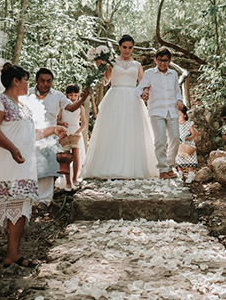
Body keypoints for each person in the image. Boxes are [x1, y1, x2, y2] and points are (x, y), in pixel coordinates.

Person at [0, 63, 65, 268]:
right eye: (26, 80)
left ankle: (12, 254)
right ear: (16, 81)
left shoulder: (24, 108)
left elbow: (30, 135)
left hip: (21, 167)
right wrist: (13, 149)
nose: (28, 84)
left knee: (18, 206)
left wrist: (54, 129)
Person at [83, 35, 158, 179]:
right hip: (115, 96)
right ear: (119, 47)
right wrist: (100, 68)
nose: (127, 50)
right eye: (124, 47)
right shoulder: (111, 62)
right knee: (113, 129)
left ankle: (131, 167)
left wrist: (145, 93)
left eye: (130, 47)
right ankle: (110, 165)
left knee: (131, 130)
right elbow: (105, 82)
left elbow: (143, 84)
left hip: (132, 98)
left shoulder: (137, 65)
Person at [28, 68, 88, 206]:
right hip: (30, 132)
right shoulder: (27, 92)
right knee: (30, 165)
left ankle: (45, 200)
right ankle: (30, 199)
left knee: (48, 167)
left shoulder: (58, 95)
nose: (45, 84)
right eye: (42, 81)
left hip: (51, 135)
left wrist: (83, 99)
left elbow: (71, 108)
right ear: (36, 80)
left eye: (49, 81)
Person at [137, 48, 185, 179]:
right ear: (155, 60)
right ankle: (162, 169)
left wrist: (179, 100)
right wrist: (144, 93)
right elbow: (140, 88)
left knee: (175, 138)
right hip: (156, 110)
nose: (162, 63)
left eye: (165, 61)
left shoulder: (173, 74)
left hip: (172, 111)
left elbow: (177, 91)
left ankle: (170, 166)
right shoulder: (149, 73)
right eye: (160, 60)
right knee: (160, 140)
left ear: (170, 61)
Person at [60, 84, 87, 189]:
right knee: (66, 157)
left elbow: (84, 124)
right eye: (70, 95)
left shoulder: (80, 107)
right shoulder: (63, 107)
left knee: (76, 156)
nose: (73, 97)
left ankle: (75, 178)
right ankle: (67, 182)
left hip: (76, 132)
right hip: (65, 132)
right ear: (66, 95)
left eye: (75, 95)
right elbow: (57, 119)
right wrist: (62, 124)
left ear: (79, 95)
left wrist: (77, 132)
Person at [176, 105, 198, 183]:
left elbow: (194, 134)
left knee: (189, 158)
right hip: (179, 144)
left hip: (188, 144)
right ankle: (180, 174)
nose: (178, 117)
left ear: (184, 115)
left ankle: (190, 174)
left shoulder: (188, 124)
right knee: (179, 158)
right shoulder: (175, 124)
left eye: (180, 115)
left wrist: (187, 137)